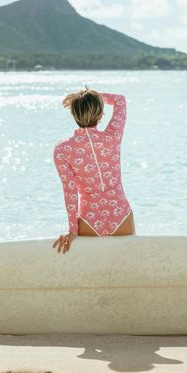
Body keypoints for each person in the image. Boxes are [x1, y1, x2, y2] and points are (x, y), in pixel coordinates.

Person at [53, 88, 134, 254]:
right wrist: (90, 98)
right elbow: (120, 99)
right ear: (100, 115)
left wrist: (72, 231)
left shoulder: (62, 149)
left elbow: (70, 193)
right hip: (121, 215)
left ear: (74, 114)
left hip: (89, 219)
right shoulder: (113, 136)